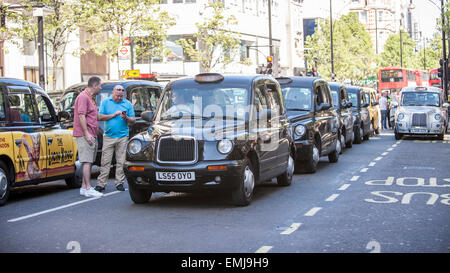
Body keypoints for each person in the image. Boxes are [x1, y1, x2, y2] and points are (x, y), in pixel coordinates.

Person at [95, 85, 136, 192]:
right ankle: (101, 184)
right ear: (113, 93)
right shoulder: (105, 102)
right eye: (117, 95)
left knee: (121, 161)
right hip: (109, 136)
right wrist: (113, 115)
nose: (119, 97)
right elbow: (99, 117)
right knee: (105, 161)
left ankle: (119, 183)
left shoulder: (127, 104)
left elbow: (133, 120)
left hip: (123, 136)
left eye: (121, 95)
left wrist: (126, 117)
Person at [73, 76, 103, 198]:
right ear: (94, 86)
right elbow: (81, 115)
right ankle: (88, 187)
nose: (100, 88)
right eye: (100, 86)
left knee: (89, 161)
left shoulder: (89, 98)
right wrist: (86, 133)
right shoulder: (83, 97)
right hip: (86, 134)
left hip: (91, 133)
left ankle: (84, 187)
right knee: (87, 161)